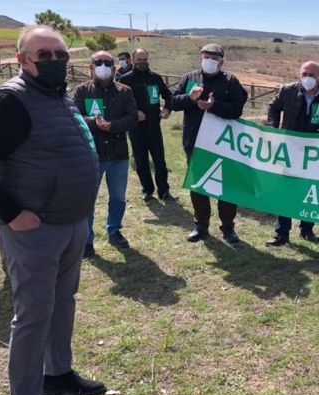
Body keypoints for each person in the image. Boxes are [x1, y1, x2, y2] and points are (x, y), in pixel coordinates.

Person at [0, 26, 106, 395]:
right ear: (23, 60)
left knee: (63, 303)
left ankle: (58, 374)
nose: (55, 61)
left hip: (71, 223)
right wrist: (10, 212)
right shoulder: (10, 101)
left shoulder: (60, 98)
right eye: (45, 55)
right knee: (33, 315)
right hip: (33, 230)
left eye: (60, 54)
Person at [265, 61, 319, 246]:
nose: (308, 78)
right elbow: (273, 107)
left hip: (315, 152)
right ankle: (281, 234)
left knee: (310, 191)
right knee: (285, 191)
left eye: (312, 75)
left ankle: (307, 229)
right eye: (304, 74)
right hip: (289, 149)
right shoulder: (287, 90)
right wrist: (273, 128)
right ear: (299, 74)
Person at [170, 44, 248, 244]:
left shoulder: (230, 81)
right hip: (195, 141)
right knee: (198, 185)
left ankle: (228, 228)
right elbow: (173, 102)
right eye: (206, 56)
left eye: (214, 58)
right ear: (200, 58)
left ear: (221, 61)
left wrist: (214, 106)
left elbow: (237, 109)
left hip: (222, 143)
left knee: (227, 185)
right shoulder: (189, 78)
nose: (209, 60)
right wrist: (190, 97)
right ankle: (201, 226)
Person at [73, 50, 139, 258]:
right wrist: (94, 123)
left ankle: (114, 230)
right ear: (90, 67)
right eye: (98, 62)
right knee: (87, 201)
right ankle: (87, 240)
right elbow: (74, 118)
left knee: (118, 197)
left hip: (118, 154)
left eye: (108, 63)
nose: (103, 66)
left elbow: (132, 118)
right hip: (92, 155)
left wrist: (112, 126)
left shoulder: (125, 91)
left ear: (114, 67)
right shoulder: (81, 91)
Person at [119, 48, 175, 202]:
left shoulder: (155, 78)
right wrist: (134, 113)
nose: (142, 62)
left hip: (154, 127)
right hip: (136, 129)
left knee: (160, 161)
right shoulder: (125, 80)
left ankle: (164, 191)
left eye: (145, 59)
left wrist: (167, 108)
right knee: (141, 161)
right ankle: (148, 190)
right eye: (139, 60)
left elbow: (168, 96)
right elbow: (119, 103)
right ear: (133, 60)